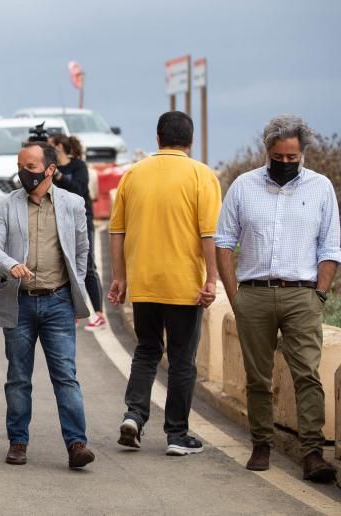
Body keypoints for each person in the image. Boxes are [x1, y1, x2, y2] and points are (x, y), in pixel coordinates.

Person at [215, 115, 340, 482]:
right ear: (266, 151)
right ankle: (261, 443)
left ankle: (313, 452)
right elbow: (224, 242)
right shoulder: (243, 186)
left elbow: (331, 246)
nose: (286, 164)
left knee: (307, 375)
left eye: (292, 158)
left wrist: (319, 293)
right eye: (279, 157)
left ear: (302, 154)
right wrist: (234, 295)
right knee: (257, 377)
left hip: (302, 295)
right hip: (253, 295)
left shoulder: (320, 188)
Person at [108, 111, 221, 456]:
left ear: (157, 139)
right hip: (183, 284)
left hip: (144, 282)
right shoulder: (202, 175)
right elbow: (209, 234)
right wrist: (211, 279)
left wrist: (120, 277)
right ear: (190, 141)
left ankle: (134, 415)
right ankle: (176, 434)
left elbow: (117, 231)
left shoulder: (133, 175)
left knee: (146, 350)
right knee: (182, 359)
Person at [0, 141, 95, 470]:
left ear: (49, 169)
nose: (23, 173)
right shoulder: (5, 205)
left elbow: (81, 252)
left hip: (58, 302)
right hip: (19, 302)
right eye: (20, 166)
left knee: (66, 376)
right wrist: (9, 265)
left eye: (30, 167)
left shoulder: (72, 204)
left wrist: (76, 293)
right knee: (18, 377)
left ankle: (77, 444)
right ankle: (18, 442)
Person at [49, 134, 105, 331]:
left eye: (50, 146)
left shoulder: (78, 166)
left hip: (81, 218)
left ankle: (98, 313)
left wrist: (58, 176)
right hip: (59, 218)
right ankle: (71, 311)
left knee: (87, 264)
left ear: (59, 147)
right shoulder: (48, 167)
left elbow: (79, 189)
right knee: (65, 264)